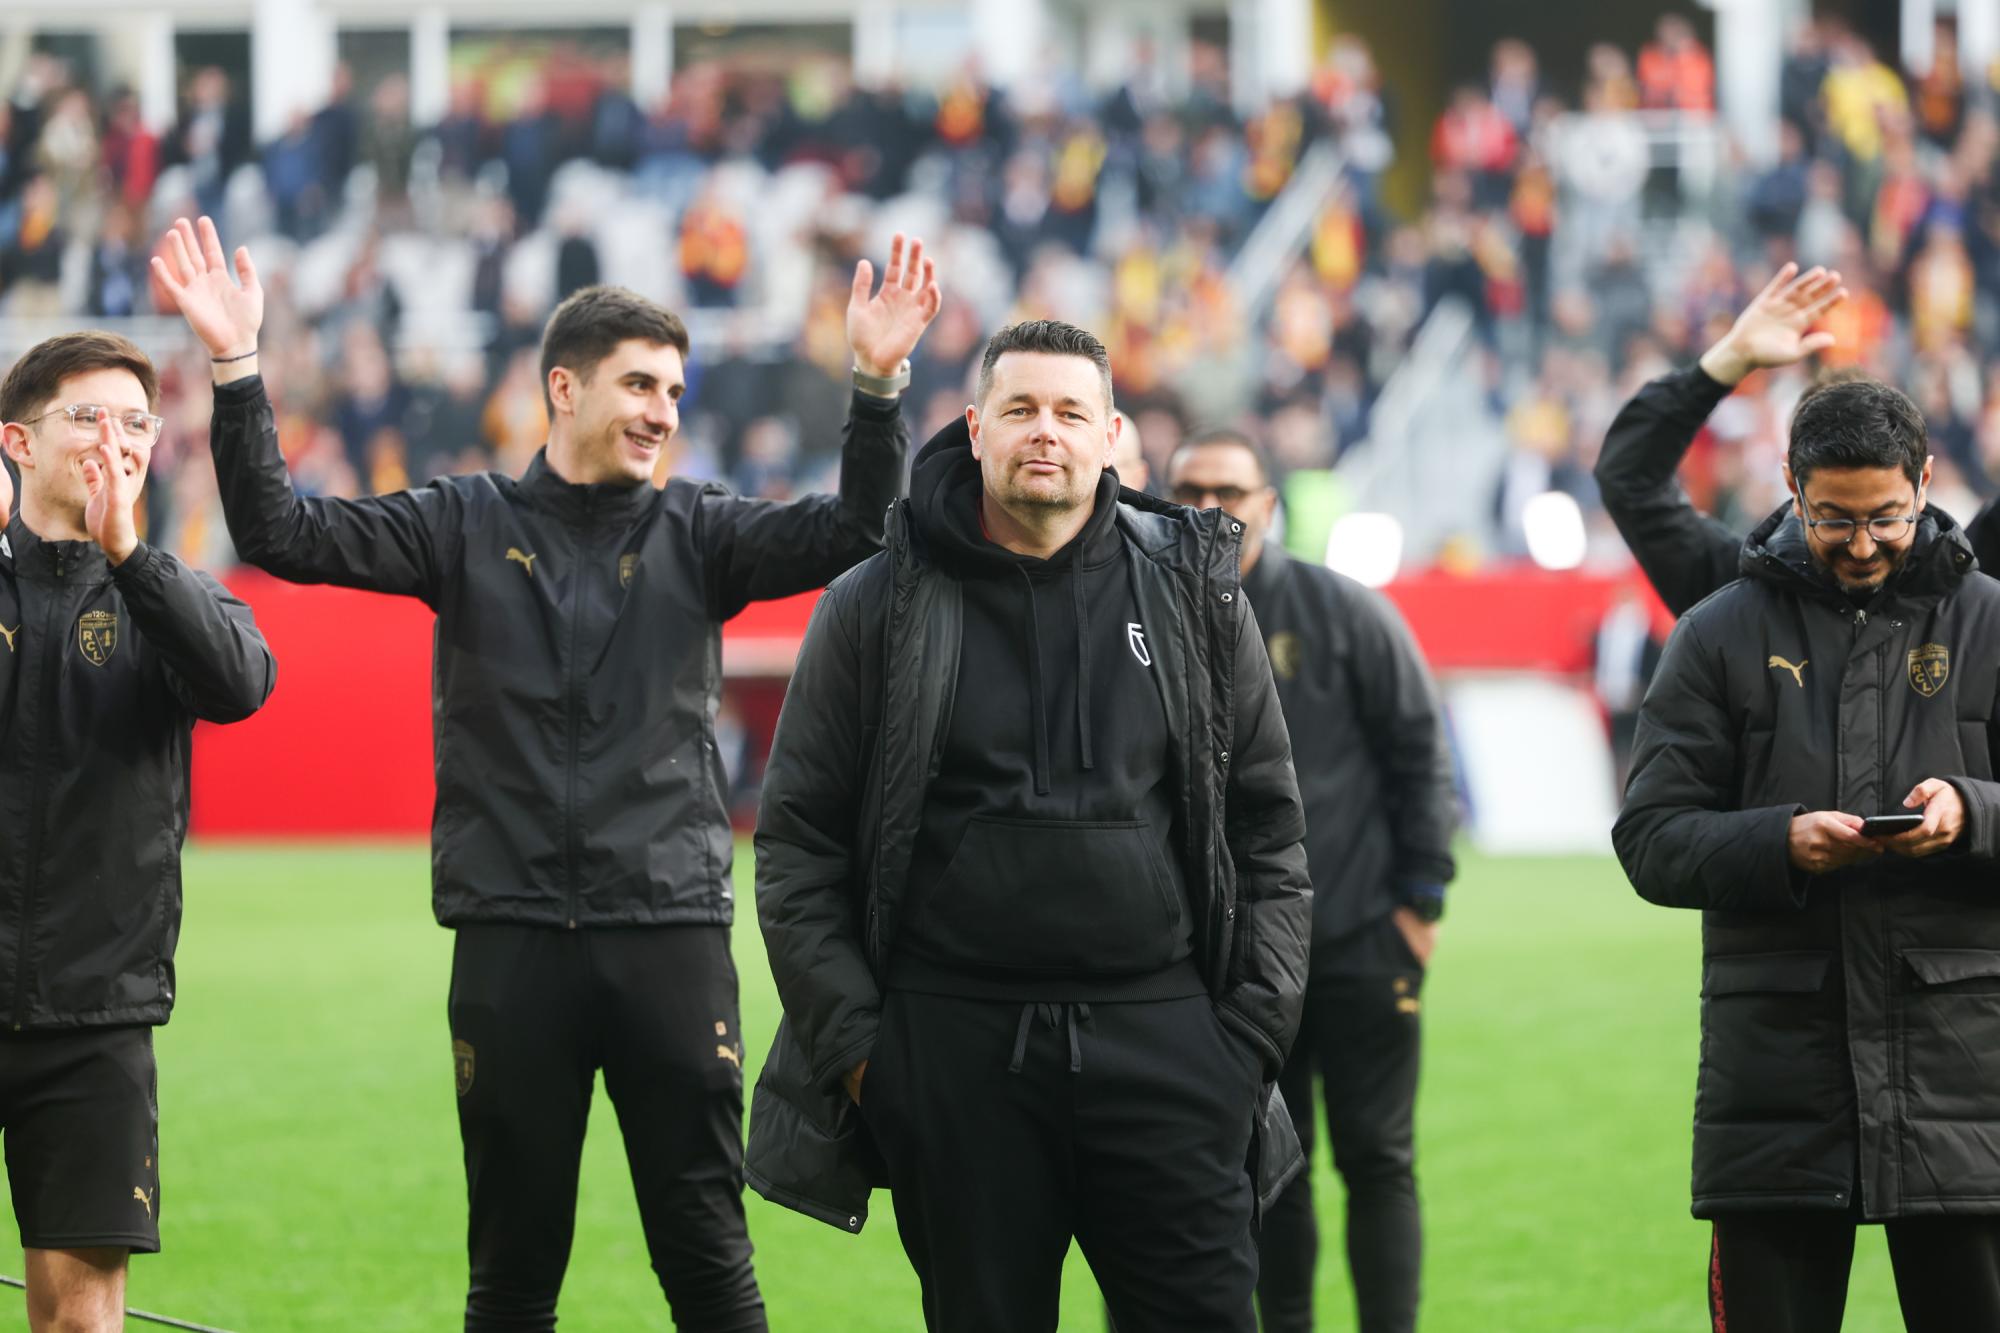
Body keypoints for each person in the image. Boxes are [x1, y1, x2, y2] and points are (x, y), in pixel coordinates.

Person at [149, 214, 940, 1331]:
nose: (662, 410)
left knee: (710, 1269)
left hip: (668, 935)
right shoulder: (463, 523)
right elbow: (279, 532)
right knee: (511, 1282)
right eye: (637, 385)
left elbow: (859, 526)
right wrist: (236, 369)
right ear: (561, 390)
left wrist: (875, 384)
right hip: (510, 938)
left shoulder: (700, 531)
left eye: (672, 389)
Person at [747, 320, 1312, 1332]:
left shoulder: (1191, 598)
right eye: (1017, 409)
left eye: (1067, 411)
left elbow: (1267, 829)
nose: (1042, 431)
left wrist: (1244, 1048)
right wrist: (871, 1059)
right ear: (974, 429)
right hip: (952, 1057)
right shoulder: (874, 602)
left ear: (1110, 436)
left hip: (1171, 1052)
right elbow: (795, 848)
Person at [1612, 368, 2000, 1332]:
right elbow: (1649, 837)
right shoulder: (1716, 632)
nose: (1861, 544)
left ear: (1924, 482)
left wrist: (1973, 811)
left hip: (1966, 1077)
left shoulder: (1993, 621)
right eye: (1833, 519)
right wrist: (1776, 842)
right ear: (1791, 484)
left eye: (1884, 517)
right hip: (1777, 1080)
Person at [0, 332, 275, 1330]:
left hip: (95, 1017)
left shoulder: (163, 596)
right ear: (17, 443)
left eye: (134, 422)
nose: (111, 441)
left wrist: (127, 550)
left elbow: (241, 683)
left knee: (80, 1319)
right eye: (85, 416)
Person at [1167, 429, 1456, 1333]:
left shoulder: (1344, 612)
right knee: (1267, 1169)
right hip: (1238, 962)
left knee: (1379, 1159)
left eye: (1232, 488)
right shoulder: (1154, 617)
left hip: (1364, 934)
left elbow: (1420, 751)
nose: (1212, 504)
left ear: (1269, 503)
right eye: (1192, 487)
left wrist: (1422, 901)